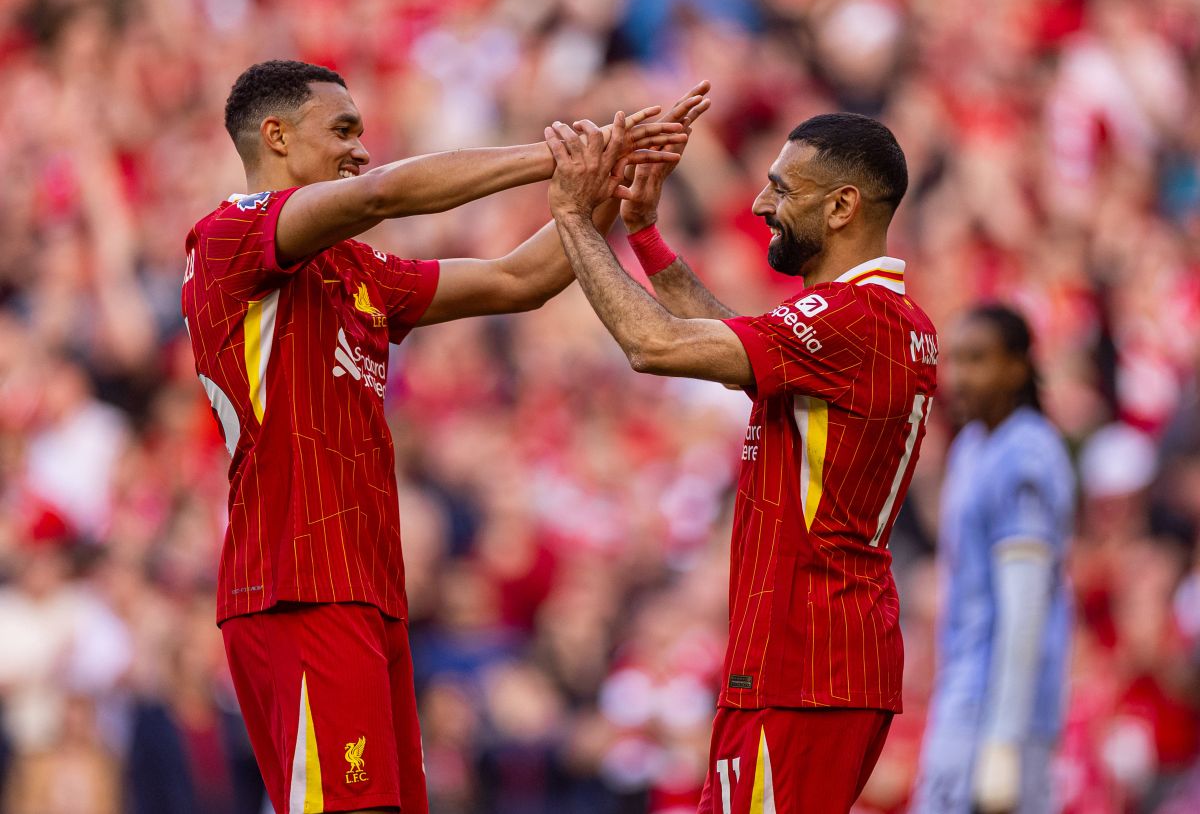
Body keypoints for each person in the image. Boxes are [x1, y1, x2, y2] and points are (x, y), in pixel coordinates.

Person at [181, 58, 700, 814]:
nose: (361, 148)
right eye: (343, 130)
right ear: (276, 136)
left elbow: (517, 280)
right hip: (298, 582)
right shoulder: (229, 233)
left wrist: (611, 184)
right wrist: (560, 156)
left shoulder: (352, 268)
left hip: (366, 587)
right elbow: (384, 192)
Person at [543, 106, 938, 812]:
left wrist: (575, 219)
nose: (760, 205)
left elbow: (655, 345)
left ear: (842, 206)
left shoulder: (848, 320)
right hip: (821, 656)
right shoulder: (885, 320)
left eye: (782, 189)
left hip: (803, 661)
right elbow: (728, 341)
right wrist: (643, 235)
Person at [911, 305, 1075, 814]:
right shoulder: (973, 445)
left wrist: (1003, 740)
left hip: (998, 709)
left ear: (1018, 367)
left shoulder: (1026, 454)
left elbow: (1024, 610)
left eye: (978, 360)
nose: (960, 377)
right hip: (964, 690)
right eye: (957, 360)